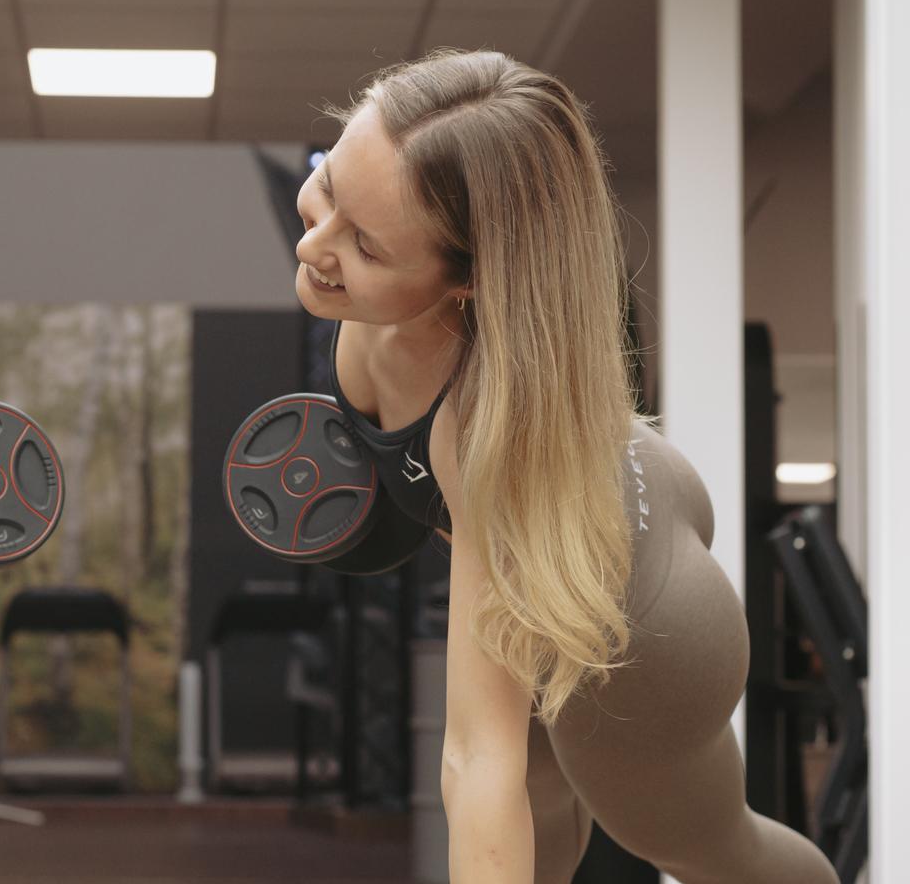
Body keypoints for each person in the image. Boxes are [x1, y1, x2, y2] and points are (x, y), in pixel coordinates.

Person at [295, 50, 836, 883]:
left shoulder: (483, 428)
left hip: (644, 618)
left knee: (715, 854)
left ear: (468, 282)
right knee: (536, 812)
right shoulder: (374, 291)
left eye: (364, 243)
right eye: (328, 185)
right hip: (576, 514)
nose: (315, 242)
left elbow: (474, 757)